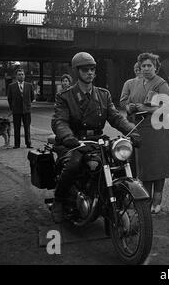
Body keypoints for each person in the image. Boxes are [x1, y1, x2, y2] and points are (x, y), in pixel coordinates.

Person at [51, 52, 135, 223]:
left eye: (92, 69)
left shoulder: (103, 95)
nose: (90, 72)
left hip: (97, 140)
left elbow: (115, 117)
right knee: (73, 165)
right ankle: (59, 201)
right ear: (77, 72)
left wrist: (132, 131)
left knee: (120, 159)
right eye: (85, 70)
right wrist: (68, 137)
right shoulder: (65, 96)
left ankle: (114, 199)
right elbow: (59, 121)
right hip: (73, 142)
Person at [120, 52, 169, 214]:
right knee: (145, 167)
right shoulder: (136, 83)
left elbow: (168, 106)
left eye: (149, 65)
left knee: (158, 166)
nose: (146, 68)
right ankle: (145, 199)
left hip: (158, 130)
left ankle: (157, 201)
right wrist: (129, 107)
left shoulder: (160, 83)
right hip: (141, 129)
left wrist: (145, 108)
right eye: (143, 66)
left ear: (156, 67)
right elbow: (126, 102)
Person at [7, 68, 35, 149]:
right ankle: (17, 144)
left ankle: (28, 143)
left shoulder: (29, 85)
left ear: (24, 75)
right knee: (16, 128)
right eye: (19, 74)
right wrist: (12, 108)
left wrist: (28, 105)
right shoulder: (11, 86)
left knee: (27, 128)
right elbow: (9, 98)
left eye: (22, 74)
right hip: (16, 111)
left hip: (26, 110)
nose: (21, 76)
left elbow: (32, 97)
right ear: (16, 76)